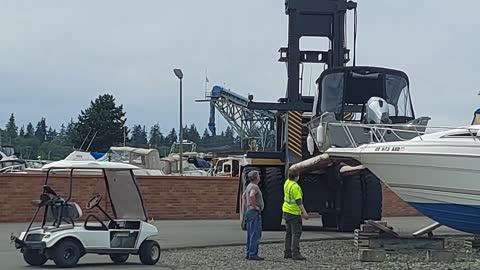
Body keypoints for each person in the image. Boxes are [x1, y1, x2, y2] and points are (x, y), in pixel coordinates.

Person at [283, 169, 309, 260]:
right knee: (296, 233)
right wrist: (304, 213)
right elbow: (299, 202)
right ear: (297, 177)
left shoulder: (287, 183)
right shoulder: (295, 187)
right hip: (294, 213)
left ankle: (287, 252)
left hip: (286, 211)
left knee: (288, 233)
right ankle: (296, 253)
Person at [242, 170, 264, 260]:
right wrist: (254, 206)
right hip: (254, 212)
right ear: (256, 177)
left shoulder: (248, 186)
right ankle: (253, 254)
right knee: (255, 233)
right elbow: (252, 195)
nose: (259, 177)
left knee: (250, 233)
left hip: (248, 211)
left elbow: (243, 196)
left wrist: (246, 205)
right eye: (258, 175)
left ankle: (248, 252)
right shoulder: (254, 186)